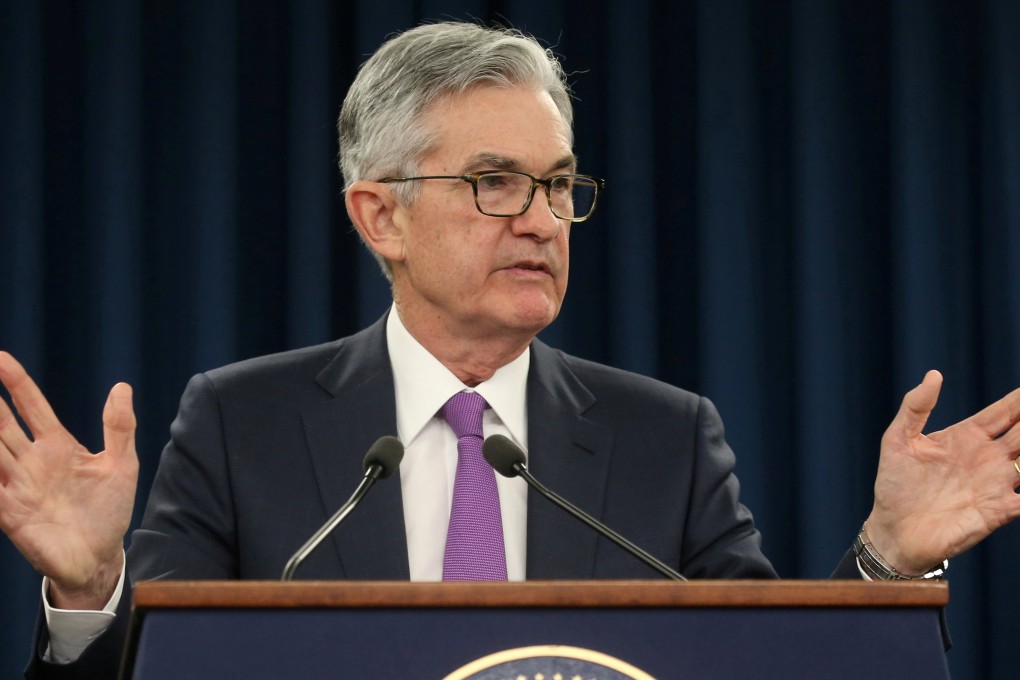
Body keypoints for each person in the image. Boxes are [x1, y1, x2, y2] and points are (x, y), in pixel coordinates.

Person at [2, 20, 1020, 680]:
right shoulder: (240, 422)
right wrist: (94, 595)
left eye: (558, 184)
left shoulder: (664, 434)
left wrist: (886, 561)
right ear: (379, 215)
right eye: (494, 182)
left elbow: (758, 662)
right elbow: (163, 669)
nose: (540, 220)